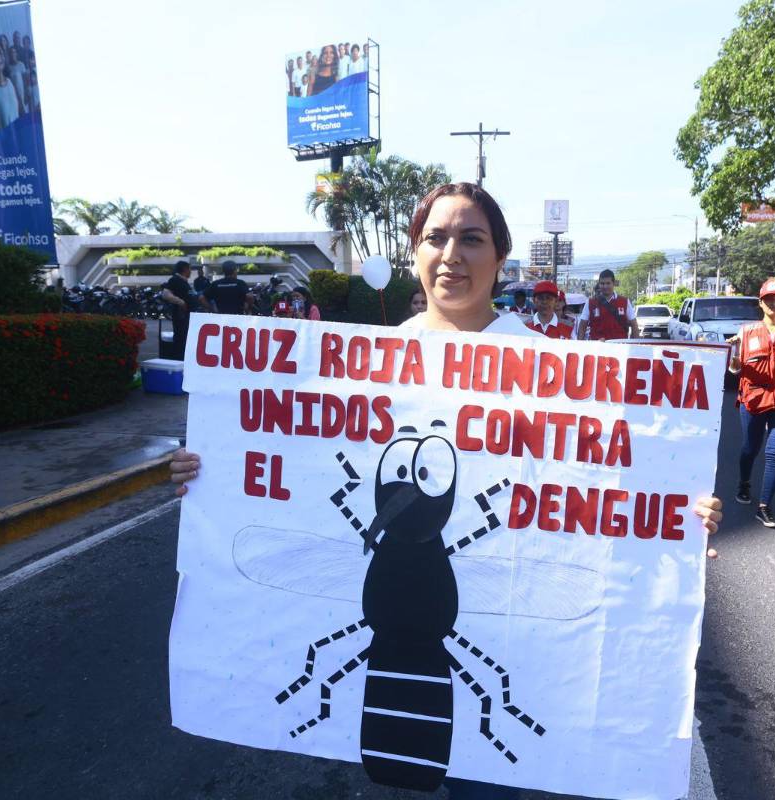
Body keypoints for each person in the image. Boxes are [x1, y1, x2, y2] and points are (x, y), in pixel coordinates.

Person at [169, 183, 722, 799]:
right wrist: (208, 469)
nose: (451, 254)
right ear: (414, 253)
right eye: (436, 238)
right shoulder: (366, 361)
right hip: (395, 689)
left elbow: (612, 488)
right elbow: (300, 456)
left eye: (471, 239)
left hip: (515, 660)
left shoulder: (557, 369)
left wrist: (680, 515)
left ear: (500, 257)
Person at [727, 278, 775, 529]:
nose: (774, 303)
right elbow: (733, 369)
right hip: (753, 399)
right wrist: (736, 354)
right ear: (761, 303)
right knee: (751, 448)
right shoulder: (746, 332)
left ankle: (764, 506)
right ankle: (744, 482)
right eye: (768, 299)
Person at [584, 269, 637, 341]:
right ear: (599, 284)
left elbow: (634, 324)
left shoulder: (624, 301)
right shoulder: (590, 302)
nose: (605, 286)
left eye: (608, 283)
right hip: (597, 349)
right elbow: (582, 325)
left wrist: (635, 344)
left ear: (614, 283)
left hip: (620, 348)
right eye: (602, 283)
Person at [160, 260, 196, 360]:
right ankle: (178, 359)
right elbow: (166, 294)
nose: (190, 271)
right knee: (180, 338)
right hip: (181, 316)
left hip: (187, 316)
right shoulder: (174, 279)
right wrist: (181, 302)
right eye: (189, 269)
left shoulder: (184, 281)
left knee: (185, 339)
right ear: (184, 269)